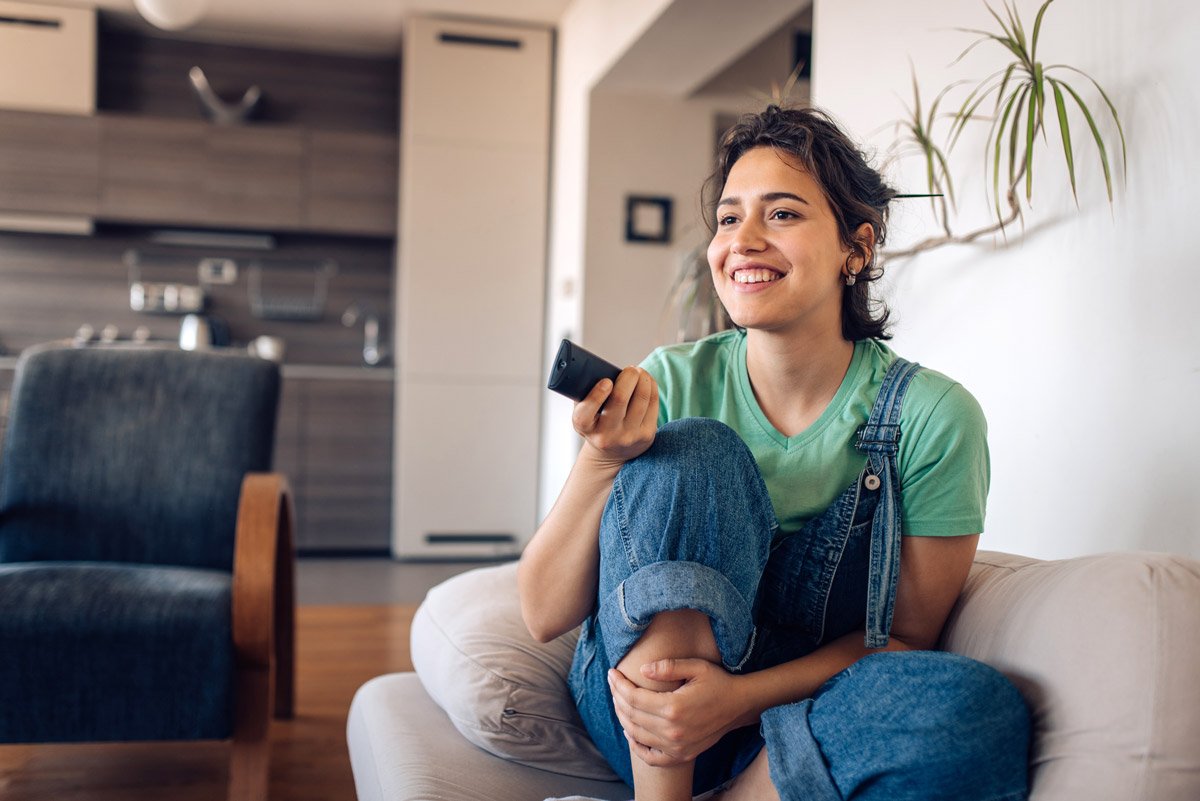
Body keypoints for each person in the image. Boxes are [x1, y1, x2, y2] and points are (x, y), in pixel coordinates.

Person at [518, 105, 1030, 801]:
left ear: (858, 248)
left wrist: (736, 698)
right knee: (698, 451)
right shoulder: (671, 380)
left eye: (782, 214)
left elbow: (902, 642)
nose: (744, 241)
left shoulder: (932, 416)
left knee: (978, 710)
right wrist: (601, 460)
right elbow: (544, 612)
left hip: (799, 715)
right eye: (729, 218)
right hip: (642, 723)